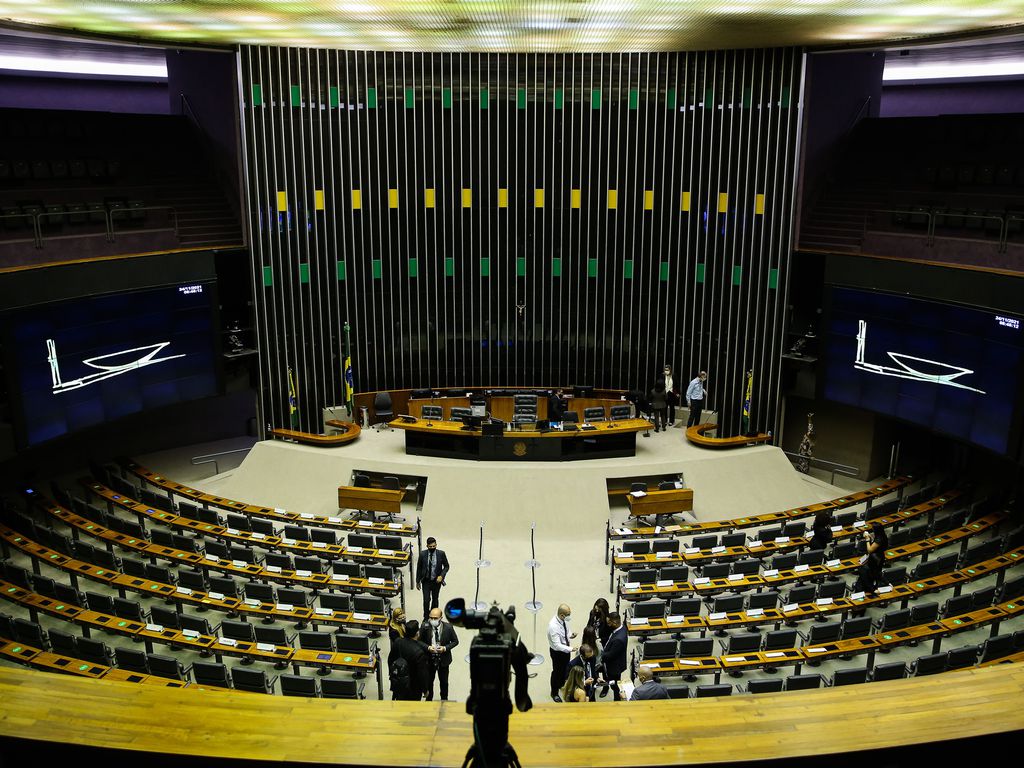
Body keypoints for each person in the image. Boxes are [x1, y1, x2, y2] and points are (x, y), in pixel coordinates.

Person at [418, 607, 460, 701]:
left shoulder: (448, 627)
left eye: (435, 618)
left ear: (441, 618)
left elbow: (455, 641)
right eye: (431, 618)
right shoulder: (425, 626)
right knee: (429, 682)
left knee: (444, 682)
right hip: (429, 659)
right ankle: (429, 700)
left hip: (443, 659)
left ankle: (444, 700)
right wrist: (428, 647)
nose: (433, 620)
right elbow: (419, 641)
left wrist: (445, 648)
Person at [850, 523, 889, 617]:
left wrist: (868, 540)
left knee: (863, 589)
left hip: (864, 584)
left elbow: (870, 550)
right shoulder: (883, 537)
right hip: (869, 577)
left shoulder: (867, 568)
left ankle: (858, 610)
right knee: (865, 586)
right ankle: (860, 610)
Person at [388, 619, 430, 701]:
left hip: (398, 681)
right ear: (417, 633)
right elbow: (422, 674)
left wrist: (393, 675)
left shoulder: (397, 642)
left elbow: (390, 660)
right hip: (412, 688)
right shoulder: (419, 652)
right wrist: (425, 690)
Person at [416, 536, 450, 619]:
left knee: (435, 599)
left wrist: (441, 576)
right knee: (426, 600)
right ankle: (426, 617)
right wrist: (417, 581)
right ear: (427, 546)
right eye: (430, 547)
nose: (432, 548)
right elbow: (419, 568)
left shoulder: (441, 554)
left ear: (436, 545)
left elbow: (446, 566)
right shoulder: (422, 554)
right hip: (426, 580)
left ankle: (434, 615)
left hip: (436, 581)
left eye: (434, 546)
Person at [547, 603, 575, 702]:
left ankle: (561, 685)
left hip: (565, 650)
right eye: (568, 614)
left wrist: (571, 635)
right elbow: (557, 645)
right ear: (562, 615)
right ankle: (554, 692)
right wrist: (571, 649)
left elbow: (566, 631)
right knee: (557, 672)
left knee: (565, 669)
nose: (569, 617)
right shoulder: (553, 626)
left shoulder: (563, 621)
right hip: (557, 653)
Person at [599, 611, 628, 701]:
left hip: (614, 667)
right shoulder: (621, 628)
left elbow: (610, 655)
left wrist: (600, 655)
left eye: (609, 623)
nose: (608, 625)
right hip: (615, 662)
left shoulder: (618, 639)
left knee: (615, 686)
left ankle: (617, 701)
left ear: (615, 623)